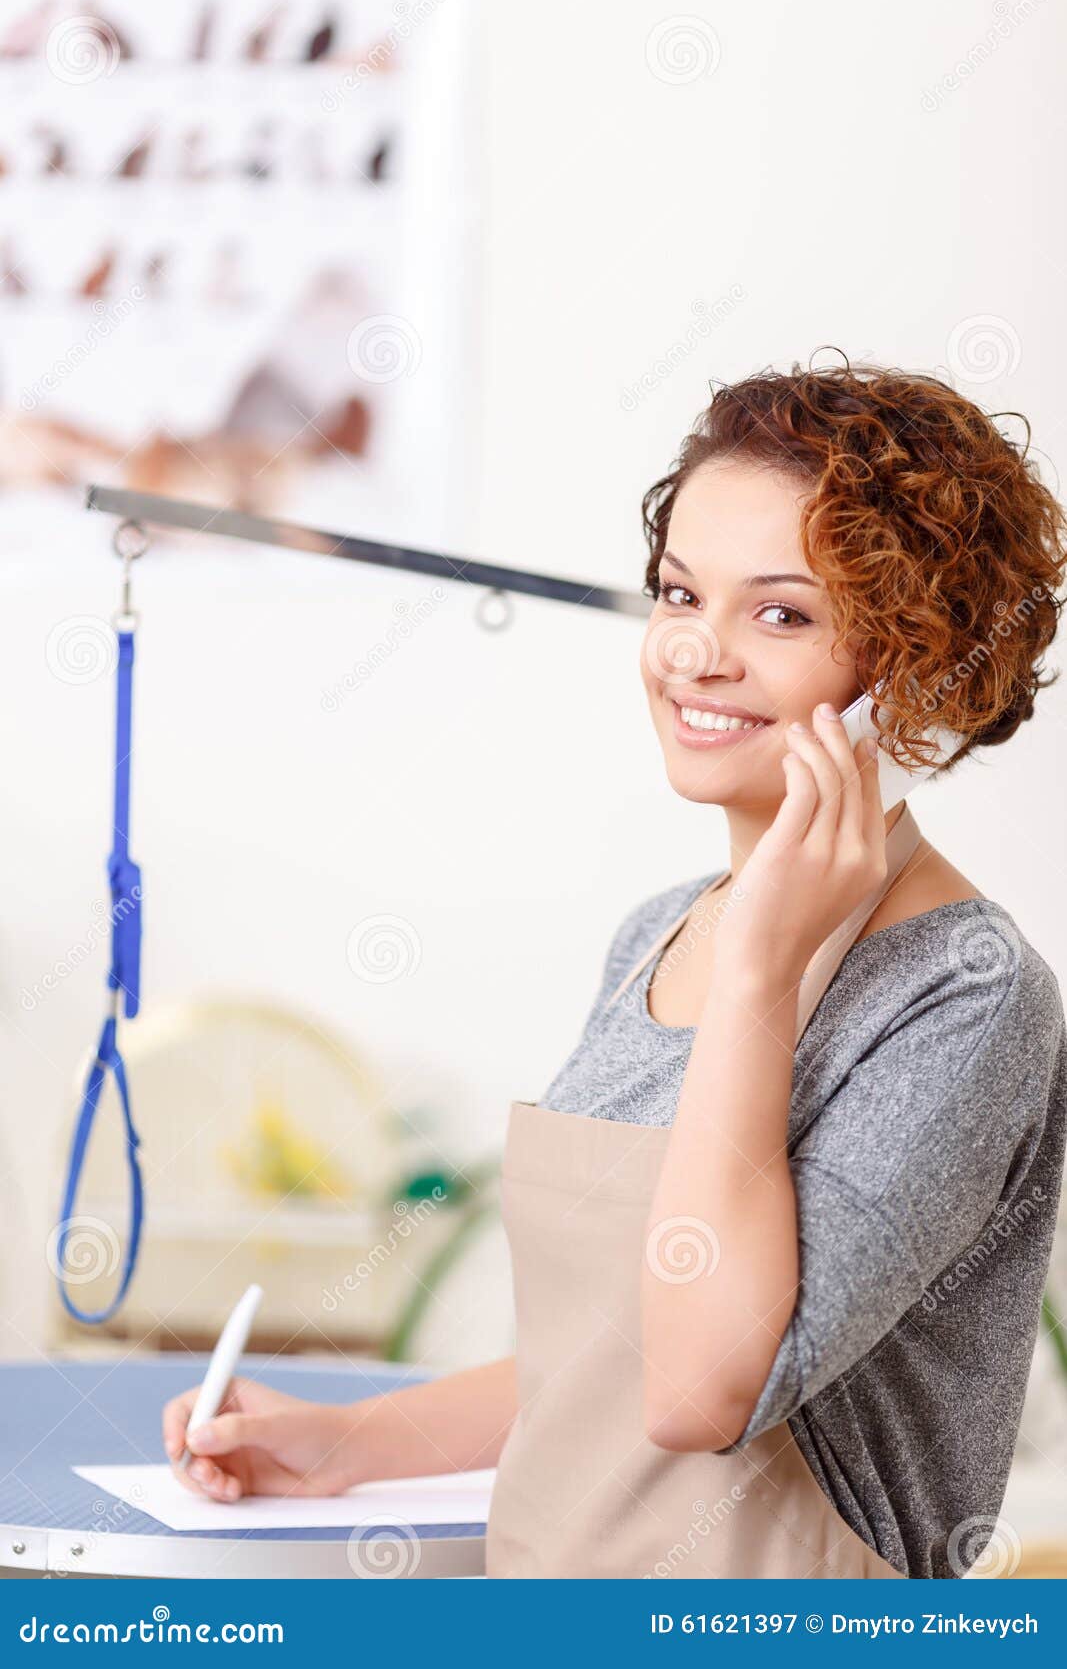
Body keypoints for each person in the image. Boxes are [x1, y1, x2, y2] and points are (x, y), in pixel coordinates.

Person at [162, 361, 1067, 1579]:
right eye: (679, 593)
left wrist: (758, 973)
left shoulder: (966, 992)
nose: (694, 652)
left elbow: (700, 1389)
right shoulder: (657, 931)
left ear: (911, 671)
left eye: (780, 615)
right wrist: (350, 1444)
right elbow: (608, 1351)